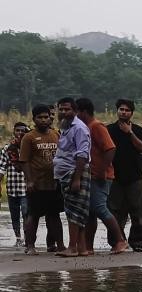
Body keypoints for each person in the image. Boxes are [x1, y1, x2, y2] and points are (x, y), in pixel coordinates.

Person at [76, 98, 128, 255]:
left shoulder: (96, 126)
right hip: (91, 174)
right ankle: (89, 247)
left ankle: (120, 240)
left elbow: (110, 149)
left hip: (101, 176)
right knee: (90, 212)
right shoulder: (86, 127)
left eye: (76, 112)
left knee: (99, 208)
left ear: (83, 112)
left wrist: (101, 171)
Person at [18, 105, 64, 255]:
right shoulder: (29, 137)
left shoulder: (56, 134)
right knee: (34, 214)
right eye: (40, 117)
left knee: (54, 215)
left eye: (46, 117)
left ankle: (59, 245)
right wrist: (29, 181)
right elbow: (24, 161)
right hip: (37, 184)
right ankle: (30, 246)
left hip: (54, 183)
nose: (44, 120)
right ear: (34, 119)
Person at [107, 98, 142, 252]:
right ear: (117, 110)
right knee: (115, 211)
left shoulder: (138, 130)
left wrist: (130, 133)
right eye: (121, 109)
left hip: (134, 176)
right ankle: (117, 241)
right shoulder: (109, 130)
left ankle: (138, 243)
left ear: (132, 113)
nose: (123, 112)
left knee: (138, 211)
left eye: (127, 110)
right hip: (114, 177)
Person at [52, 97, 91, 257]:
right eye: (61, 109)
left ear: (75, 111)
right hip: (65, 172)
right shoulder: (65, 127)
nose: (63, 112)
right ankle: (81, 248)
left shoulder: (79, 128)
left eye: (67, 109)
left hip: (75, 172)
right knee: (75, 211)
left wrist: (76, 178)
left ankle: (72, 247)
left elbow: (82, 154)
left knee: (74, 212)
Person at [0, 122, 29, 246]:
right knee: (14, 216)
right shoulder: (7, 149)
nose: (20, 133)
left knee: (26, 214)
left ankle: (28, 239)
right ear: (14, 132)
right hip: (11, 188)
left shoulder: (29, 147)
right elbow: (1, 168)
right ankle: (18, 239)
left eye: (23, 131)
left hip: (26, 188)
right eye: (17, 130)